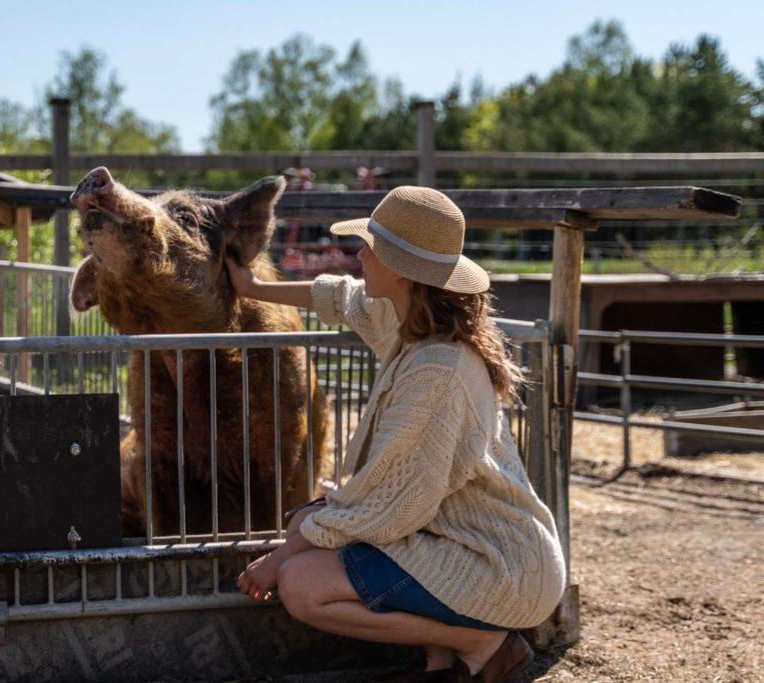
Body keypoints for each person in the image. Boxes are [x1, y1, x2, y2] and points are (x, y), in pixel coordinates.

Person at [226, 186, 566, 682]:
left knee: (301, 584)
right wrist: (254, 289)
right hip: (468, 542)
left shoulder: (437, 373)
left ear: (403, 269)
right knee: (308, 528)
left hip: (497, 567)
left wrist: (278, 558)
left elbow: (387, 504)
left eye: (373, 248)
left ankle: (478, 642)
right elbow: (344, 298)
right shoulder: (414, 324)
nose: (360, 255)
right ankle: (441, 660)